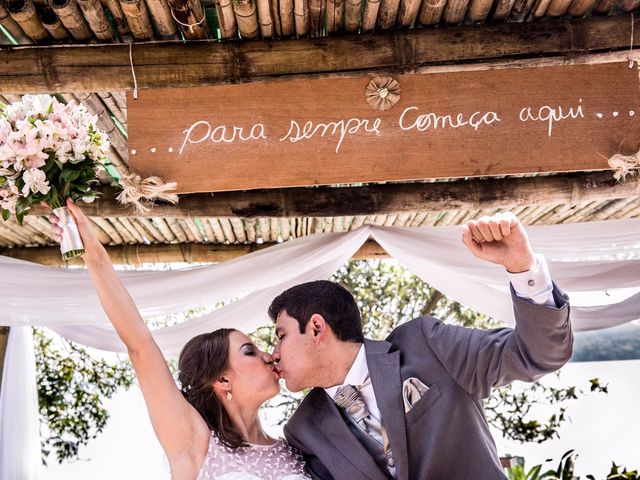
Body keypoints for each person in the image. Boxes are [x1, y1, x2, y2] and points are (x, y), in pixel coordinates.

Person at [269, 212, 573, 480]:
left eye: (281, 335)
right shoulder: (303, 430)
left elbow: (537, 354)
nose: (273, 353)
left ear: (317, 328)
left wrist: (523, 268)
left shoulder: (426, 344)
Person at [48, 198, 310, 480]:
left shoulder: (294, 453)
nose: (270, 355)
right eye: (249, 351)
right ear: (223, 381)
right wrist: (94, 255)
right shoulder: (195, 443)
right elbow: (140, 346)